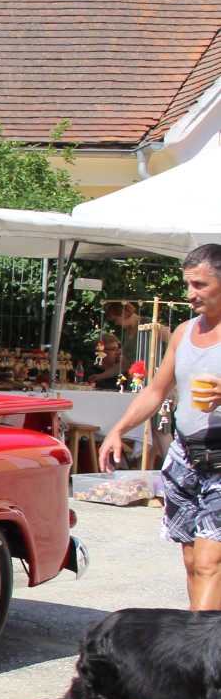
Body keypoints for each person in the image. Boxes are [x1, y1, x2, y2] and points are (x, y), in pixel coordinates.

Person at [99, 244, 221, 610]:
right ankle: (204, 644)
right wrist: (118, 429)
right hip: (185, 458)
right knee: (191, 562)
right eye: (187, 284)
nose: (190, 294)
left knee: (209, 561)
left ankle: (200, 659)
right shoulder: (184, 333)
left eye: (199, 284)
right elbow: (156, 389)